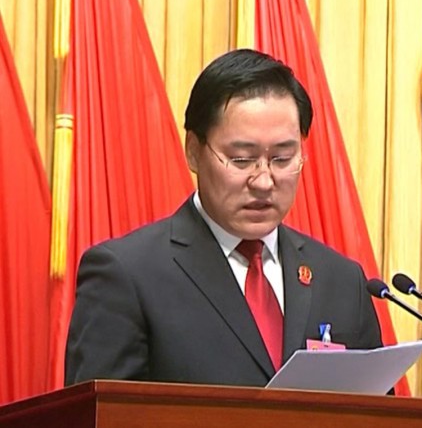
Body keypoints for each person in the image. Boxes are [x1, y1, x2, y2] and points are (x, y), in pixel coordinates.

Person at [64, 49, 384, 387]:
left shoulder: (342, 282)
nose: (264, 181)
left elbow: (375, 407)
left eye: (282, 158)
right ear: (193, 150)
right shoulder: (128, 275)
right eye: (242, 159)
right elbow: (98, 411)